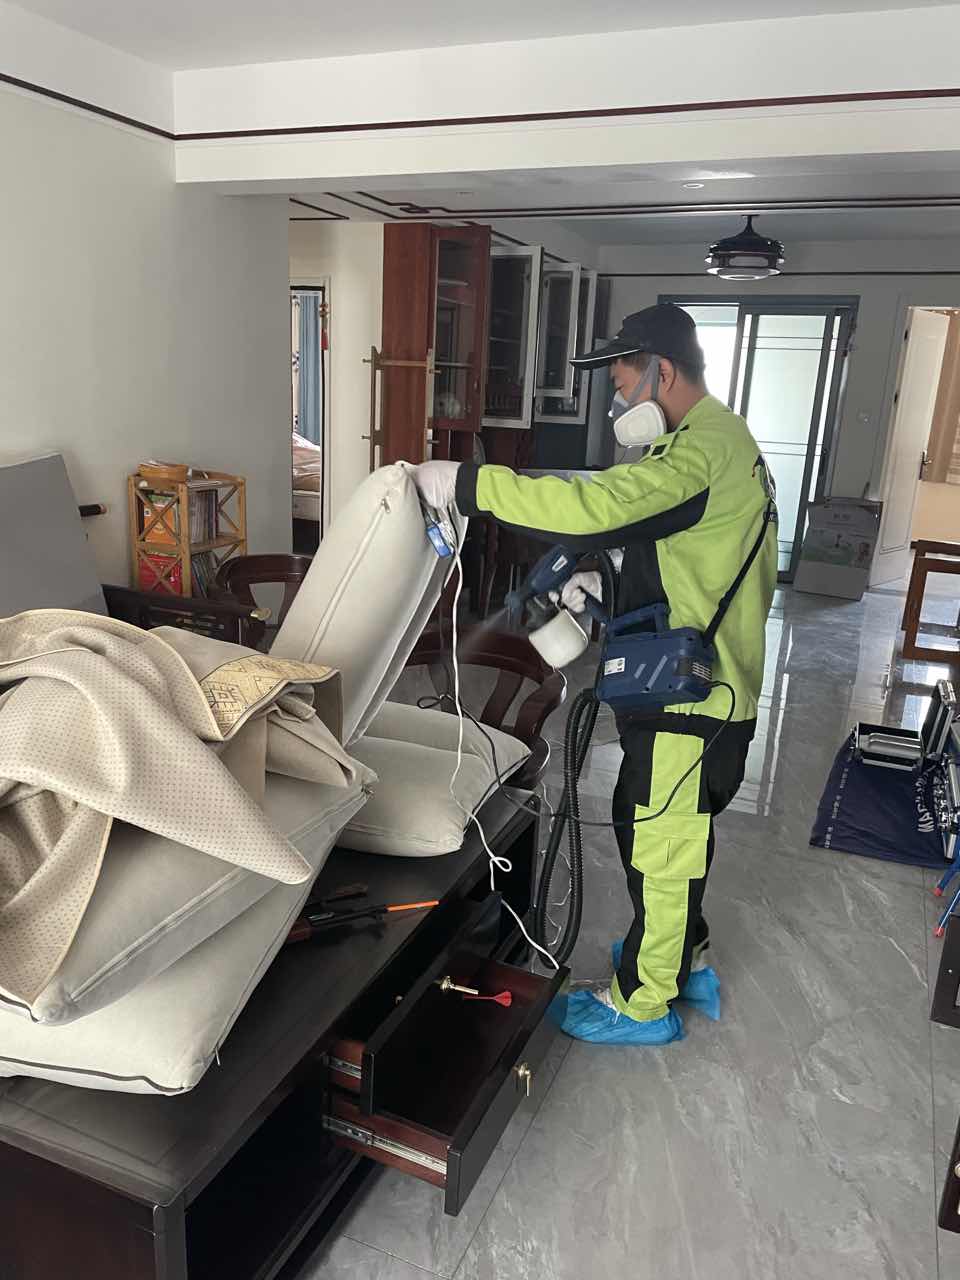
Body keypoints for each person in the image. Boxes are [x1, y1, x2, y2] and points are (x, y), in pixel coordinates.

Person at [412, 303, 778, 1045]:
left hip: (694, 702)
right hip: (702, 685)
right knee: (664, 830)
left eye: (621, 382)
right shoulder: (718, 440)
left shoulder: (700, 451)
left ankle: (644, 1002)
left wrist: (469, 484)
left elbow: (596, 506)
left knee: (662, 846)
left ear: (661, 372)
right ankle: (683, 959)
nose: (618, 400)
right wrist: (605, 585)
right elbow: (684, 554)